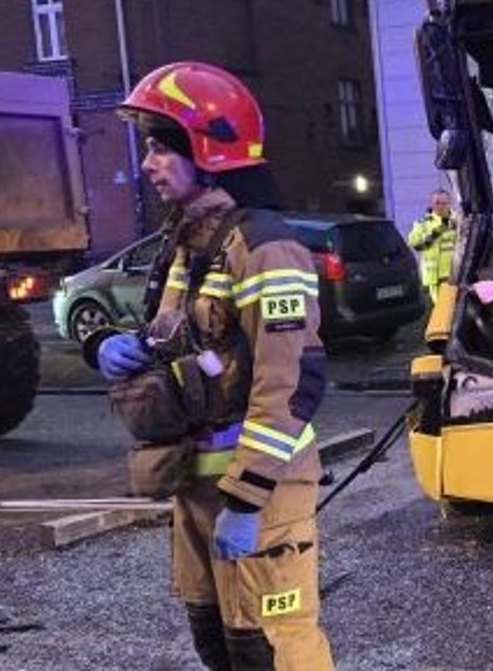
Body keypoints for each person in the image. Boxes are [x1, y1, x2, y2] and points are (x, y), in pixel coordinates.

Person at [85, 62, 332, 671]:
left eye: (161, 148)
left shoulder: (267, 248)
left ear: (210, 149)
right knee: (219, 645)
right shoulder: (190, 244)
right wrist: (108, 348)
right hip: (195, 484)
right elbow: (175, 339)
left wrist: (247, 501)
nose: (147, 164)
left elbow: (291, 382)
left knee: (272, 649)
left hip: (259, 491)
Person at [407, 188, 457, 303]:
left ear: (450, 203)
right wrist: (434, 235)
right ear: (431, 204)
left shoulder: (458, 221)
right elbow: (414, 244)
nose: (441, 206)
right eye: (437, 203)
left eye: (444, 203)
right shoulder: (423, 223)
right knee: (442, 309)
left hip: (457, 273)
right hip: (436, 276)